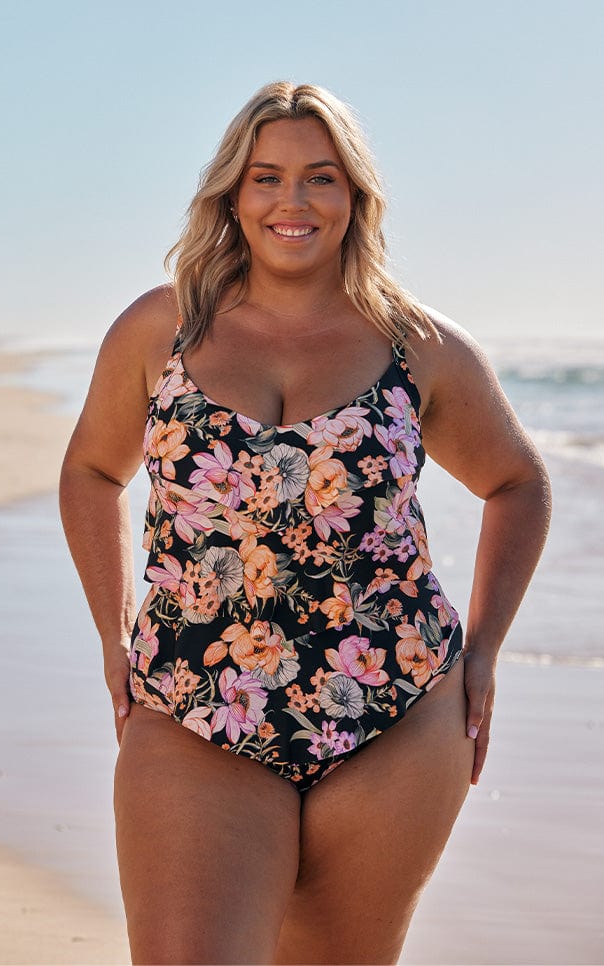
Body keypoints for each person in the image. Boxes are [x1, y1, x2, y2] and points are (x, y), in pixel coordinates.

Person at [60, 81, 551, 965]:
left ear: (354, 196)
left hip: (394, 716)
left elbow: (518, 482)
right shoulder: (161, 329)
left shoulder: (417, 345)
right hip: (195, 701)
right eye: (266, 177)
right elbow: (92, 471)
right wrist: (111, 631)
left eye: (321, 177)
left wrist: (482, 652)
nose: (293, 201)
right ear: (233, 195)